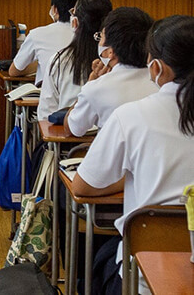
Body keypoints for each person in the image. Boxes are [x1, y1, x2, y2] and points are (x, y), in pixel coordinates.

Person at [72, 15, 194, 294]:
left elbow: (82, 186)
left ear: (156, 67)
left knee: (100, 260)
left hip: (143, 278)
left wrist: (131, 178)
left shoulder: (133, 116)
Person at [64, 7, 157, 136]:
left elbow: (72, 128)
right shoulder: (162, 83)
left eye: (101, 36)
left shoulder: (96, 88)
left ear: (110, 52)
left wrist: (91, 83)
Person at [37, 0, 113, 121]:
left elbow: (45, 116)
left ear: (75, 22)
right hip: (111, 138)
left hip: (67, 137)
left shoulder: (60, 61)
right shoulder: (116, 60)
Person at [9, 0, 88, 85]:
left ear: (55, 9)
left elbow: (14, 71)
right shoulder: (94, 34)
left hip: (47, 97)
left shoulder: (37, 35)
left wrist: (41, 64)